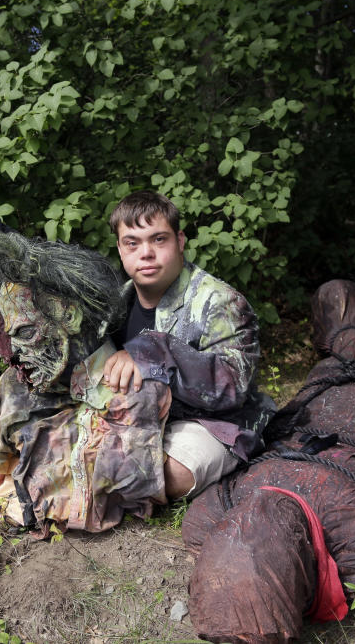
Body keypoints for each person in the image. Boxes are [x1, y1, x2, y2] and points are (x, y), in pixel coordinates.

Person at [0, 228, 171, 535]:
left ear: (69, 317)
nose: (13, 356)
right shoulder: (18, 386)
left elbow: (121, 490)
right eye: (8, 339)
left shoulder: (133, 393)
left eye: (27, 334)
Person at [104, 191, 274, 498]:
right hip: (138, 417)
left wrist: (153, 352)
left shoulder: (220, 301)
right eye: (132, 242)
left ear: (179, 241)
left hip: (209, 422)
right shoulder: (114, 303)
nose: (146, 253)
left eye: (158, 239)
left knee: (171, 474)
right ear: (120, 248)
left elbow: (233, 388)